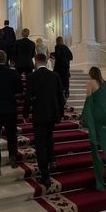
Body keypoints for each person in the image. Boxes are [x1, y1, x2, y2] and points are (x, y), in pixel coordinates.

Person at [23, 53, 65, 188]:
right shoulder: (55, 76)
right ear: (46, 61)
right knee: (49, 137)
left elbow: (28, 97)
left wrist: (25, 113)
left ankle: (45, 177)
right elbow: (61, 97)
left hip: (39, 115)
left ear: (36, 61)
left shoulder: (32, 76)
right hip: (53, 114)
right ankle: (52, 159)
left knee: (40, 145)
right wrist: (61, 113)